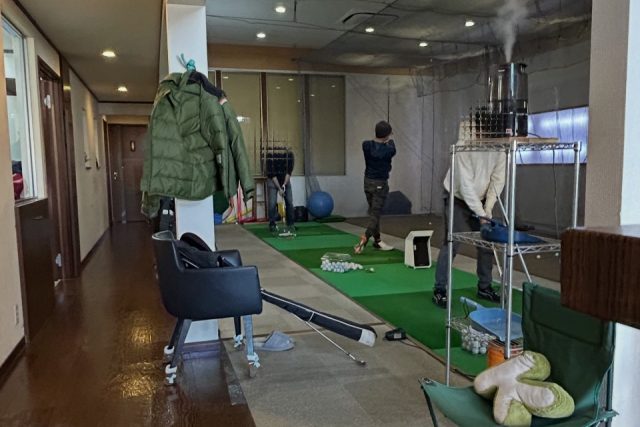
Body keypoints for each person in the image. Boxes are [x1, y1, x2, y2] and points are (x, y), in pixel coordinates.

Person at [432, 135, 506, 308]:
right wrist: (481, 214)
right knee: (452, 242)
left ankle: (484, 287)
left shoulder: (500, 148)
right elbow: (465, 186)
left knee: (487, 242)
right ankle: (440, 289)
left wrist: (488, 209)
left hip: (481, 200)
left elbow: (498, 180)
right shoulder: (463, 146)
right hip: (456, 197)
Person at [354, 121, 396, 254]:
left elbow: (375, 144)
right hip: (380, 184)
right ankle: (365, 238)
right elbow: (391, 146)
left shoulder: (366, 145)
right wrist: (388, 140)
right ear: (386, 135)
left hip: (367, 182)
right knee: (375, 215)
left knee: (374, 212)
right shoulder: (389, 149)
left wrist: (383, 137)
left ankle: (377, 241)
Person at [266, 149, 295, 232]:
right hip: (273, 181)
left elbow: (288, 172)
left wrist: (284, 185)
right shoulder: (270, 157)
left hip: (285, 180)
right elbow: (273, 175)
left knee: (289, 201)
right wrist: (279, 188)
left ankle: (291, 224)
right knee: (272, 203)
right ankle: (272, 224)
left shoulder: (289, 156)